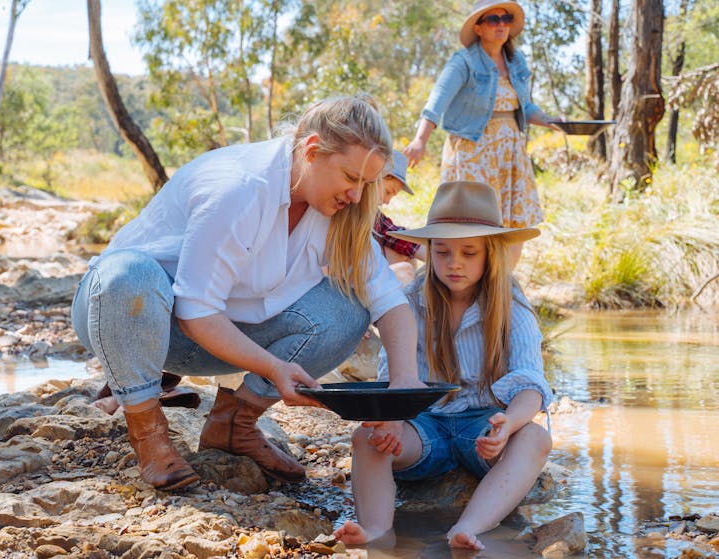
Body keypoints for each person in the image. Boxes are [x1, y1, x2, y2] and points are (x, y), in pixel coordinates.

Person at [71, 95, 423, 492]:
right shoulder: (239, 188)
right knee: (129, 274)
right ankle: (148, 430)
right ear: (311, 151)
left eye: (367, 183)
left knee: (348, 309)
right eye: (351, 177)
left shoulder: (339, 211)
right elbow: (196, 309)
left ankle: (233, 426)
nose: (358, 196)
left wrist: (403, 388)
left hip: (208, 338)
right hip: (123, 318)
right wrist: (274, 368)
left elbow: (390, 302)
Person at [334, 181, 553, 550]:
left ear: (490, 253)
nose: (454, 263)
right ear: (429, 251)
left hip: (484, 427)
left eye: (469, 252)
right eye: (442, 251)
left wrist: (509, 424)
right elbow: (393, 378)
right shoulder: (409, 301)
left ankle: (466, 528)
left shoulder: (511, 305)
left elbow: (531, 381)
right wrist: (390, 421)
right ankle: (375, 530)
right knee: (366, 438)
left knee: (536, 437)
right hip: (424, 427)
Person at [403, 0, 560, 266]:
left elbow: (524, 105)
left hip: (509, 150)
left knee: (512, 222)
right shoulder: (464, 61)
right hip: (472, 149)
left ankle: (504, 284)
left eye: (506, 19)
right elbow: (436, 102)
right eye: (493, 20)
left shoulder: (516, 61)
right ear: (478, 27)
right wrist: (420, 140)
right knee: (472, 220)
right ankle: (469, 282)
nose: (501, 25)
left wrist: (548, 120)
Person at [373, 150, 426, 286]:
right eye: (388, 192)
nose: (387, 201)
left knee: (405, 250)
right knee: (405, 270)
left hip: (368, 271)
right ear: (376, 176)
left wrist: (441, 255)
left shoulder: (373, 214)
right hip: (354, 278)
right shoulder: (354, 208)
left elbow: (394, 234)